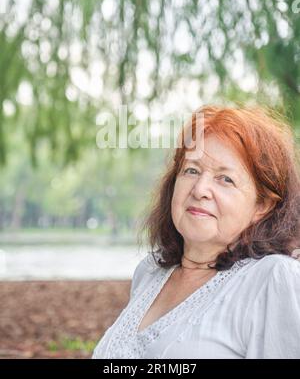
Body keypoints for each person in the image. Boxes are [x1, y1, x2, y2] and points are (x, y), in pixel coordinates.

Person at [92, 105, 300, 359]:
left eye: (225, 179)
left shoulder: (275, 278)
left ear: (262, 205)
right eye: (191, 170)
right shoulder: (149, 272)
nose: (200, 189)